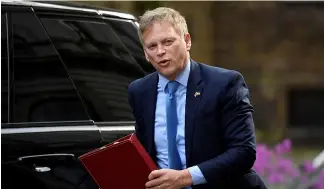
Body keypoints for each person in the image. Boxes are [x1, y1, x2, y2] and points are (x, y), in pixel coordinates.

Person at [128, 7, 268, 189]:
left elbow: (244, 152)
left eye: (168, 42)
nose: (160, 51)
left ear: (187, 41)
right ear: (146, 54)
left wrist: (185, 177)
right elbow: (143, 152)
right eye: (152, 46)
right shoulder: (139, 91)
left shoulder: (225, 84)